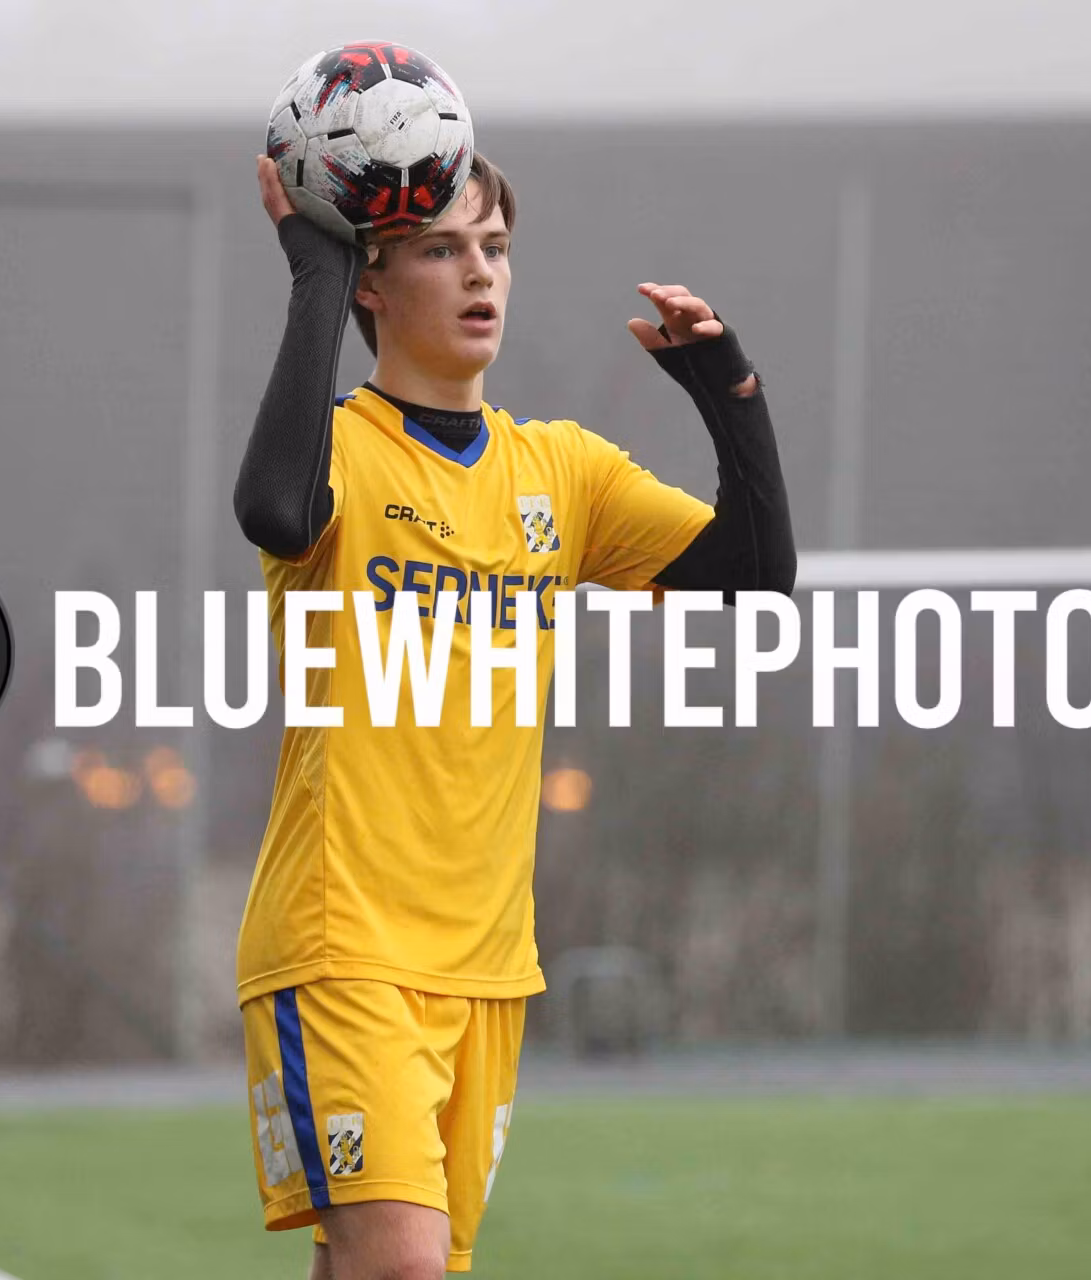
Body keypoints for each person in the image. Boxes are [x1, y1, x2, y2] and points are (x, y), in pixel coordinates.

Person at [233, 148, 795, 1279]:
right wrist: (313, 273)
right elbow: (276, 508)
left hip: (488, 962)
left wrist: (726, 389)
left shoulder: (560, 472)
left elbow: (753, 571)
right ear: (374, 280)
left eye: (493, 246)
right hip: (345, 943)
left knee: (379, 1269)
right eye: (440, 248)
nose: (479, 271)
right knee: (401, 1264)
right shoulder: (335, 450)